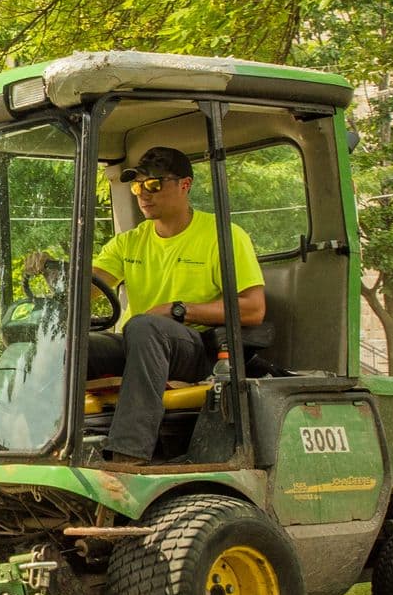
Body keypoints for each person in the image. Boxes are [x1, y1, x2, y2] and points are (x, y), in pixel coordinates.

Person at [87, 145, 265, 467]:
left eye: (153, 184)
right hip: (139, 342)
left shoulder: (223, 236)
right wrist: (57, 276)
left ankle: (128, 455)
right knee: (72, 344)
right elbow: (89, 291)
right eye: (138, 186)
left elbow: (253, 309)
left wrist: (178, 309)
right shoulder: (130, 241)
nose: (143, 194)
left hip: (195, 348)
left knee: (144, 326)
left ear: (184, 185)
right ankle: (47, 444)